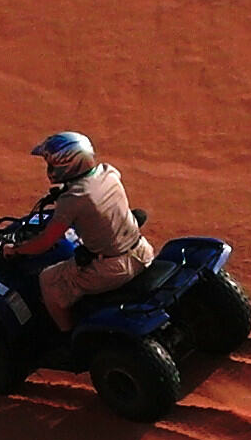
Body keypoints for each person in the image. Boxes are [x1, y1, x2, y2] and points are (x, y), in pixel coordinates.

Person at [12, 131, 153, 330]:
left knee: (48, 280)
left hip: (113, 269)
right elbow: (97, 195)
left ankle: (66, 336)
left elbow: (45, 242)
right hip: (142, 252)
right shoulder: (109, 172)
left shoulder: (73, 199)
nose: (50, 169)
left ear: (67, 165)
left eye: (52, 163)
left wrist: (16, 250)